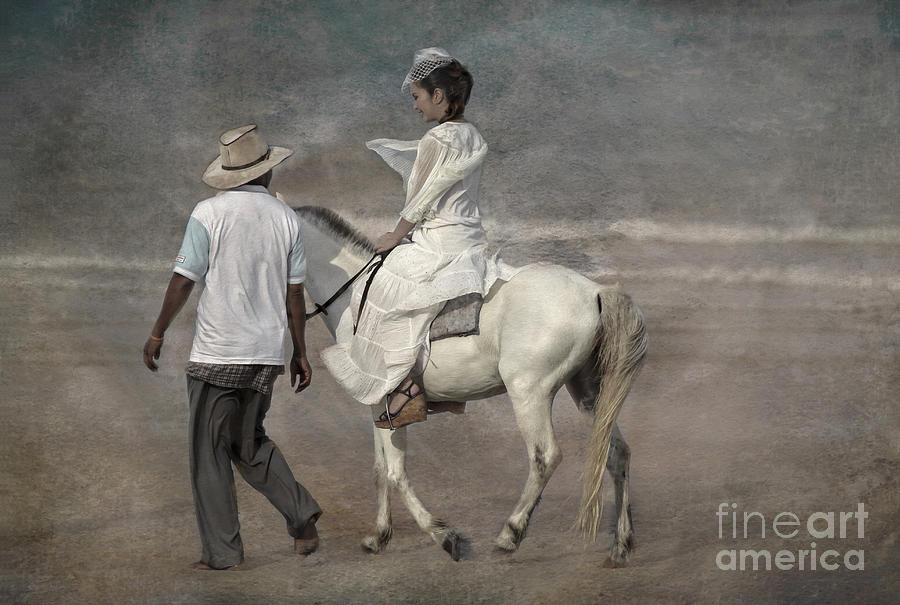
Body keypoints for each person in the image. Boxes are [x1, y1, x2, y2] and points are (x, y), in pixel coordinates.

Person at [142, 125, 321, 570]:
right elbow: (294, 294)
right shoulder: (286, 218)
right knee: (249, 442)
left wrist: (158, 332)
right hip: (266, 354)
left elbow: (185, 280)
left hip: (219, 354)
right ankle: (301, 516)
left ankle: (223, 554)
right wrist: (299, 353)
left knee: (209, 453)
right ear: (266, 172)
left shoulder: (209, 213)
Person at [322, 48, 519, 430]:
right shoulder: (472, 135)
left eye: (417, 97)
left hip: (439, 242)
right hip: (469, 241)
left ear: (438, 96)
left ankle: (407, 388)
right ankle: (444, 391)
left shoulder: (435, 140)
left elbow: (423, 196)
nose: (415, 106)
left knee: (376, 288)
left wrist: (395, 236)